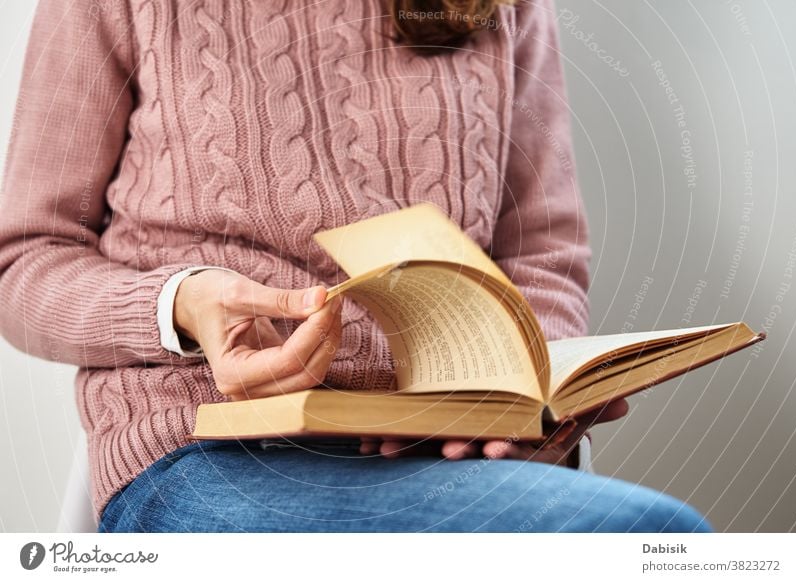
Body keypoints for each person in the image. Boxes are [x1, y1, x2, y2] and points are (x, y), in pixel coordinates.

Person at [0, 0, 712, 532]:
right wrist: (182, 306)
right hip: (205, 448)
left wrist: (522, 397)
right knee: (648, 534)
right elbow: (24, 260)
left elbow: (541, 254)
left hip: (450, 455)